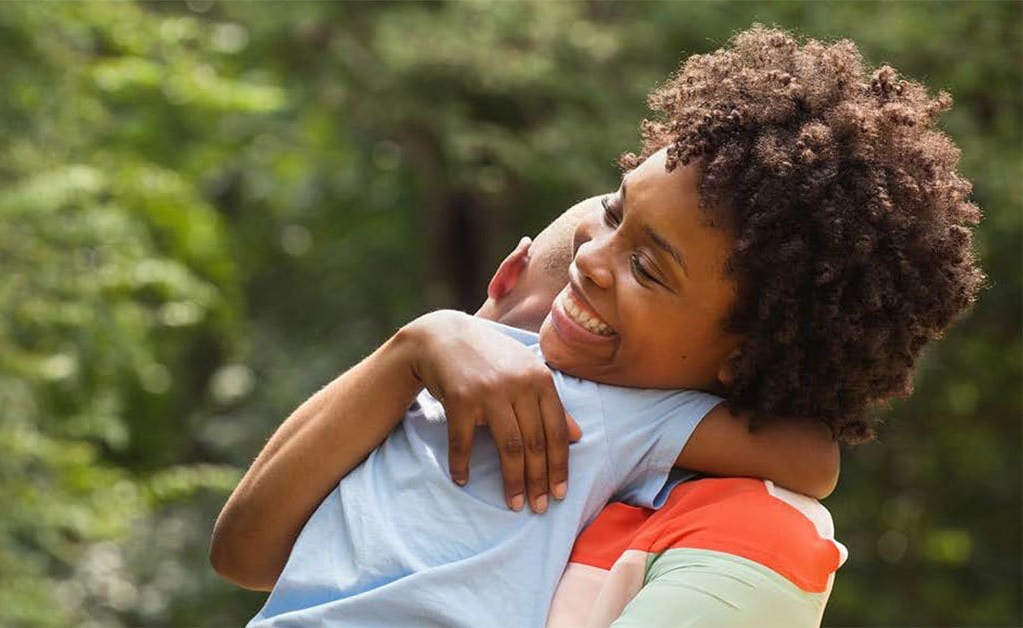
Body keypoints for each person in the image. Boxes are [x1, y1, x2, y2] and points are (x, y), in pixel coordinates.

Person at [213, 25, 983, 627]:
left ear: (748, 354)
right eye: (614, 215)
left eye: (651, 269)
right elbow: (241, 550)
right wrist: (422, 342)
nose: (593, 260)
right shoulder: (432, 373)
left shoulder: (634, 422)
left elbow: (813, 461)